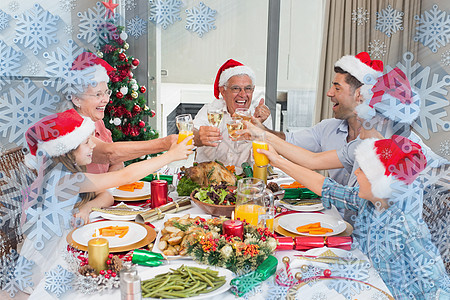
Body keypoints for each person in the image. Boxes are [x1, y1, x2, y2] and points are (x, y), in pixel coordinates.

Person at [20, 109, 193, 295]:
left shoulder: (71, 171)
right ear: (67, 151)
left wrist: (87, 207)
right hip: (48, 260)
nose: (93, 147)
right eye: (86, 143)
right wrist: (169, 156)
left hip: (73, 238)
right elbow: (124, 176)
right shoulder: (61, 180)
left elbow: (107, 194)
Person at [258, 136, 449, 299]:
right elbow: (326, 187)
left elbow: (439, 286)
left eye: (363, 170)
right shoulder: (369, 201)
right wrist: (277, 161)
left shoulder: (405, 229)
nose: (356, 172)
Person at [249, 52, 383, 185]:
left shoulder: (381, 140)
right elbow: (307, 156)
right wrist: (262, 130)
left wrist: (264, 137)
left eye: (337, 88)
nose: (329, 93)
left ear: (360, 94)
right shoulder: (330, 130)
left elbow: (314, 165)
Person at [69, 52, 177, 174]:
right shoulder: (70, 127)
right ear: (76, 99)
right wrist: (165, 143)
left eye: (106, 92)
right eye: (98, 94)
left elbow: (117, 161)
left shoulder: (98, 121)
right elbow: (109, 153)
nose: (105, 100)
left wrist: (107, 187)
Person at [193, 59, 272, 167]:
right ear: (223, 91)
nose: (243, 94)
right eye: (236, 88)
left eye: (248, 89)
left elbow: (271, 154)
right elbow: (190, 135)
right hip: (209, 179)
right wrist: (199, 137)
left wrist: (258, 129)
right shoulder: (212, 111)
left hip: (247, 180)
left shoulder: (260, 114)